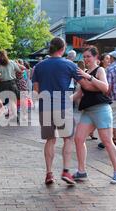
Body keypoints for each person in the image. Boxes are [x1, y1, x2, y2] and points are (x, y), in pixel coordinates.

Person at [32, 37, 82, 185]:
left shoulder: (39, 66)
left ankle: (49, 173)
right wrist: (75, 96)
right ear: (63, 48)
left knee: (50, 140)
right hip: (63, 105)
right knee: (68, 139)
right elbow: (83, 84)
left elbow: (36, 89)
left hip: (45, 106)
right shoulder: (69, 65)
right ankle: (66, 171)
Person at [72, 47, 116, 184]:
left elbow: (105, 88)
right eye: (85, 57)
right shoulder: (85, 72)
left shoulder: (100, 70)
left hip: (101, 109)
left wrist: (89, 77)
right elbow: (79, 94)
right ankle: (81, 171)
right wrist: (63, 101)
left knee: (107, 141)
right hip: (88, 111)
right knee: (78, 138)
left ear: (95, 58)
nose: (86, 59)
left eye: (89, 56)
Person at [0, 50, 23, 121]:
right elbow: (20, 70)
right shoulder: (11, 62)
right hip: (12, 84)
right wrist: (17, 64)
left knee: (1, 102)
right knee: (12, 101)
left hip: (3, 84)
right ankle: (16, 116)